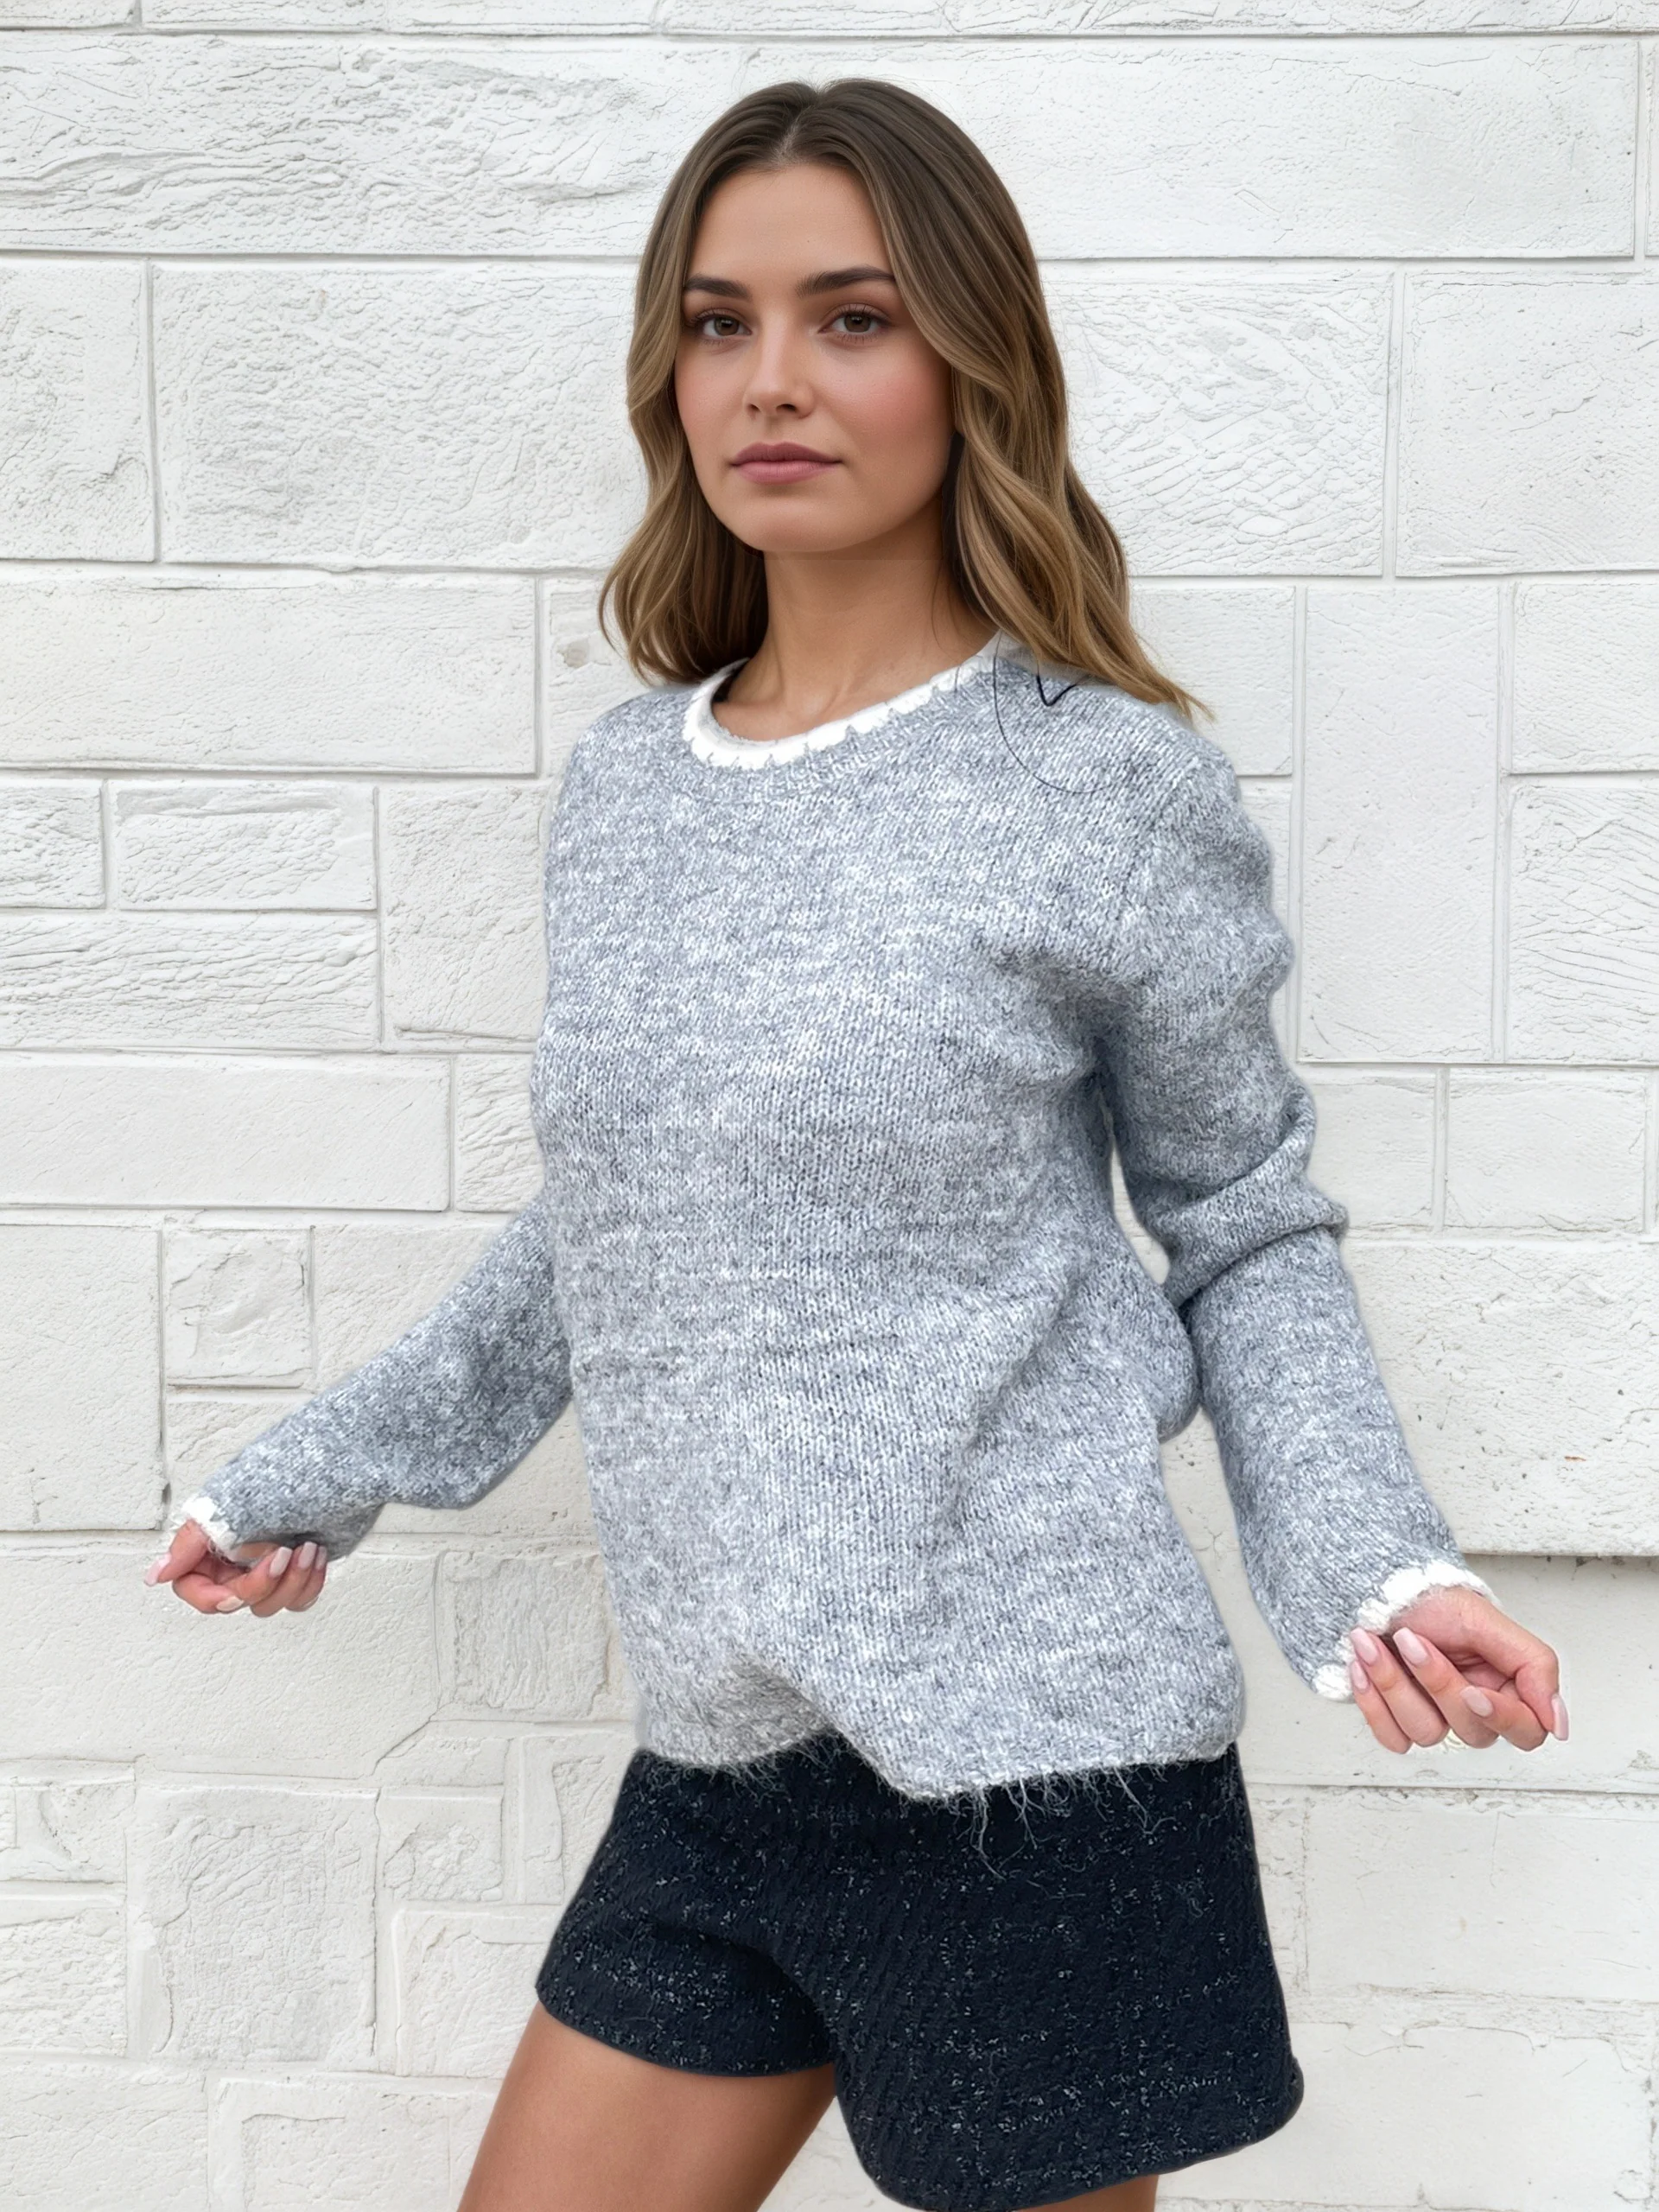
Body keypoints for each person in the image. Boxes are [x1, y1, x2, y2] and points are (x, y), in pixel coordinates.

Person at [143, 79, 1567, 2212]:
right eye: (719, 322)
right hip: (722, 1758)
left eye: (855, 317)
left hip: (1037, 1765)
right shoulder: (630, 792)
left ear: (972, 362)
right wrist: (322, 1467)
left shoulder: (1105, 786)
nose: (773, 380)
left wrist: (1377, 1560)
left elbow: (1244, 1220)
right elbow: (621, 1221)